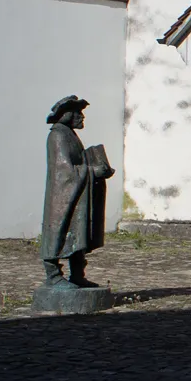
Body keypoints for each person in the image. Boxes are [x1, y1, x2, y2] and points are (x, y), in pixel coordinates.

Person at [40, 95, 114, 289]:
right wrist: (92, 171)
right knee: (60, 231)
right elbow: (64, 171)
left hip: (77, 194)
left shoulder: (69, 134)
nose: (82, 117)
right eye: (78, 113)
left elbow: (77, 164)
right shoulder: (58, 135)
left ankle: (77, 275)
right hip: (63, 195)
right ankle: (54, 276)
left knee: (78, 233)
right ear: (67, 114)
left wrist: (96, 167)